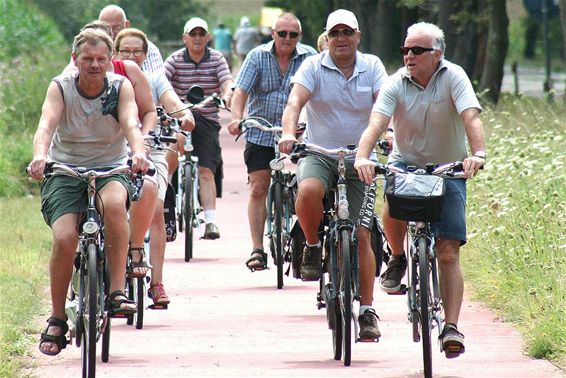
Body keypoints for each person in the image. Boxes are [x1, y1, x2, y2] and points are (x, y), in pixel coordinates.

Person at [354, 22, 486, 356]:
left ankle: (452, 327)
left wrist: (478, 154)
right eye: (405, 50)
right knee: (392, 194)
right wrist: (362, 156)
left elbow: (471, 116)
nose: (409, 56)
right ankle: (397, 258)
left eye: (417, 50)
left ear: (436, 54)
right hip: (407, 164)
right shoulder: (396, 82)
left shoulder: (454, 76)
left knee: (447, 250)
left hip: (448, 168)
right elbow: (377, 123)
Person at [28, 28, 150, 356]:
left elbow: (131, 123)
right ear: (75, 60)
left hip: (111, 168)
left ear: (110, 60)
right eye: (87, 59)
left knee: (113, 206)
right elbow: (46, 125)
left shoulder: (120, 87)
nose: (94, 65)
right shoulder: (60, 87)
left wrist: (139, 152)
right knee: (65, 238)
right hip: (65, 170)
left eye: (101, 59)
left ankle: (116, 291)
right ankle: (56, 318)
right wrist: (40, 156)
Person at [278, 9, 387, 340]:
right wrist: (288, 133)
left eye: (347, 32)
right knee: (308, 190)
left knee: (362, 234)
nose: (342, 38)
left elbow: (384, 103)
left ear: (357, 36)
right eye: (335, 33)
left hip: (361, 158)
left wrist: (389, 131)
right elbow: (295, 102)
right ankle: (312, 245)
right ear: (327, 37)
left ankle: (367, 310)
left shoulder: (373, 67)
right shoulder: (313, 66)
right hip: (319, 152)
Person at [227, 12, 316, 270]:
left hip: (301, 132)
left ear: (299, 36)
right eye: (282, 33)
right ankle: (257, 249)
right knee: (258, 187)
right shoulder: (257, 56)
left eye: (293, 34)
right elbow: (241, 90)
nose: (287, 39)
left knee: (311, 185)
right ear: (272, 33)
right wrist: (236, 118)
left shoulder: (310, 57)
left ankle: (310, 241)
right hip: (262, 131)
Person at [115, 28, 195, 305]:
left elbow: (171, 101)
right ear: (116, 53)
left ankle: (157, 282)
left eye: (137, 51)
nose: (132, 56)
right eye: (125, 50)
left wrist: (184, 114)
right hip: (114, 151)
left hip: (153, 148)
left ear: (146, 55)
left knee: (156, 209)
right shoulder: (106, 80)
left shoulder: (153, 78)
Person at [164, 17, 233, 240]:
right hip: (180, 117)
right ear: (185, 37)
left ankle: (210, 221)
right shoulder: (174, 60)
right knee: (171, 157)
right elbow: (161, 83)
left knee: (206, 169)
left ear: (207, 37)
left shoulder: (217, 58)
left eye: (201, 34)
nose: (196, 38)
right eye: (192, 34)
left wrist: (228, 95)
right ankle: (166, 206)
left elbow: (227, 82)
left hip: (206, 118)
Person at [99, 4, 163, 73]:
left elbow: (154, 80)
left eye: (116, 28)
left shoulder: (146, 47)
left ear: (127, 25)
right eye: (106, 28)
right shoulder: (93, 49)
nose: (111, 33)